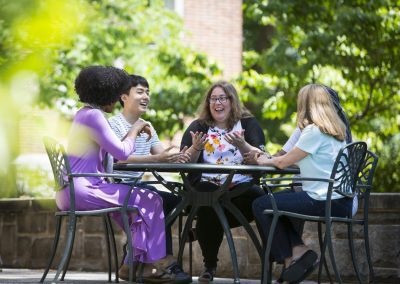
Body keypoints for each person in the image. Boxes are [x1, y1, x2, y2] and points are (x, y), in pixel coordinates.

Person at [58, 65, 173, 283]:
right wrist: (135, 129)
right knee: (152, 199)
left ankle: (131, 265)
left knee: (135, 211)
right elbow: (121, 151)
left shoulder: (83, 114)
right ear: (107, 94)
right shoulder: (94, 116)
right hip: (84, 189)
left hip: (74, 190)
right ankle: (157, 263)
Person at [250, 84, 352, 284]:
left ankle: (293, 256)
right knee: (277, 206)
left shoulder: (314, 131)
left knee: (260, 204)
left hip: (324, 200)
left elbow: (282, 161)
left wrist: (263, 160)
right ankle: (296, 253)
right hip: (341, 200)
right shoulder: (335, 131)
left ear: (306, 105)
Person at [108, 74, 192, 283]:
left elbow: (162, 157)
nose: (146, 96)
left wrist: (189, 151)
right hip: (117, 187)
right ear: (124, 97)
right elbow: (117, 160)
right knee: (158, 200)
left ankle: (132, 262)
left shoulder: (148, 126)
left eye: (148, 92)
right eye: (140, 91)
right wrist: (157, 157)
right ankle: (164, 263)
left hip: (138, 186)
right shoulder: (113, 125)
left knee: (178, 200)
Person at [180, 81, 266, 283]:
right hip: (205, 188)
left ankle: (201, 231)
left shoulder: (248, 124)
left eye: (222, 98)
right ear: (208, 103)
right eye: (213, 99)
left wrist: (242, 144)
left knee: (260, 199)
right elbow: (184, 162)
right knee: (207, 196)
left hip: (240, 189)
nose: (217, 103)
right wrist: (195, 149)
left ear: (232, 101)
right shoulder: (198, 126)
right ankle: (209, 265)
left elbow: (261, 157)